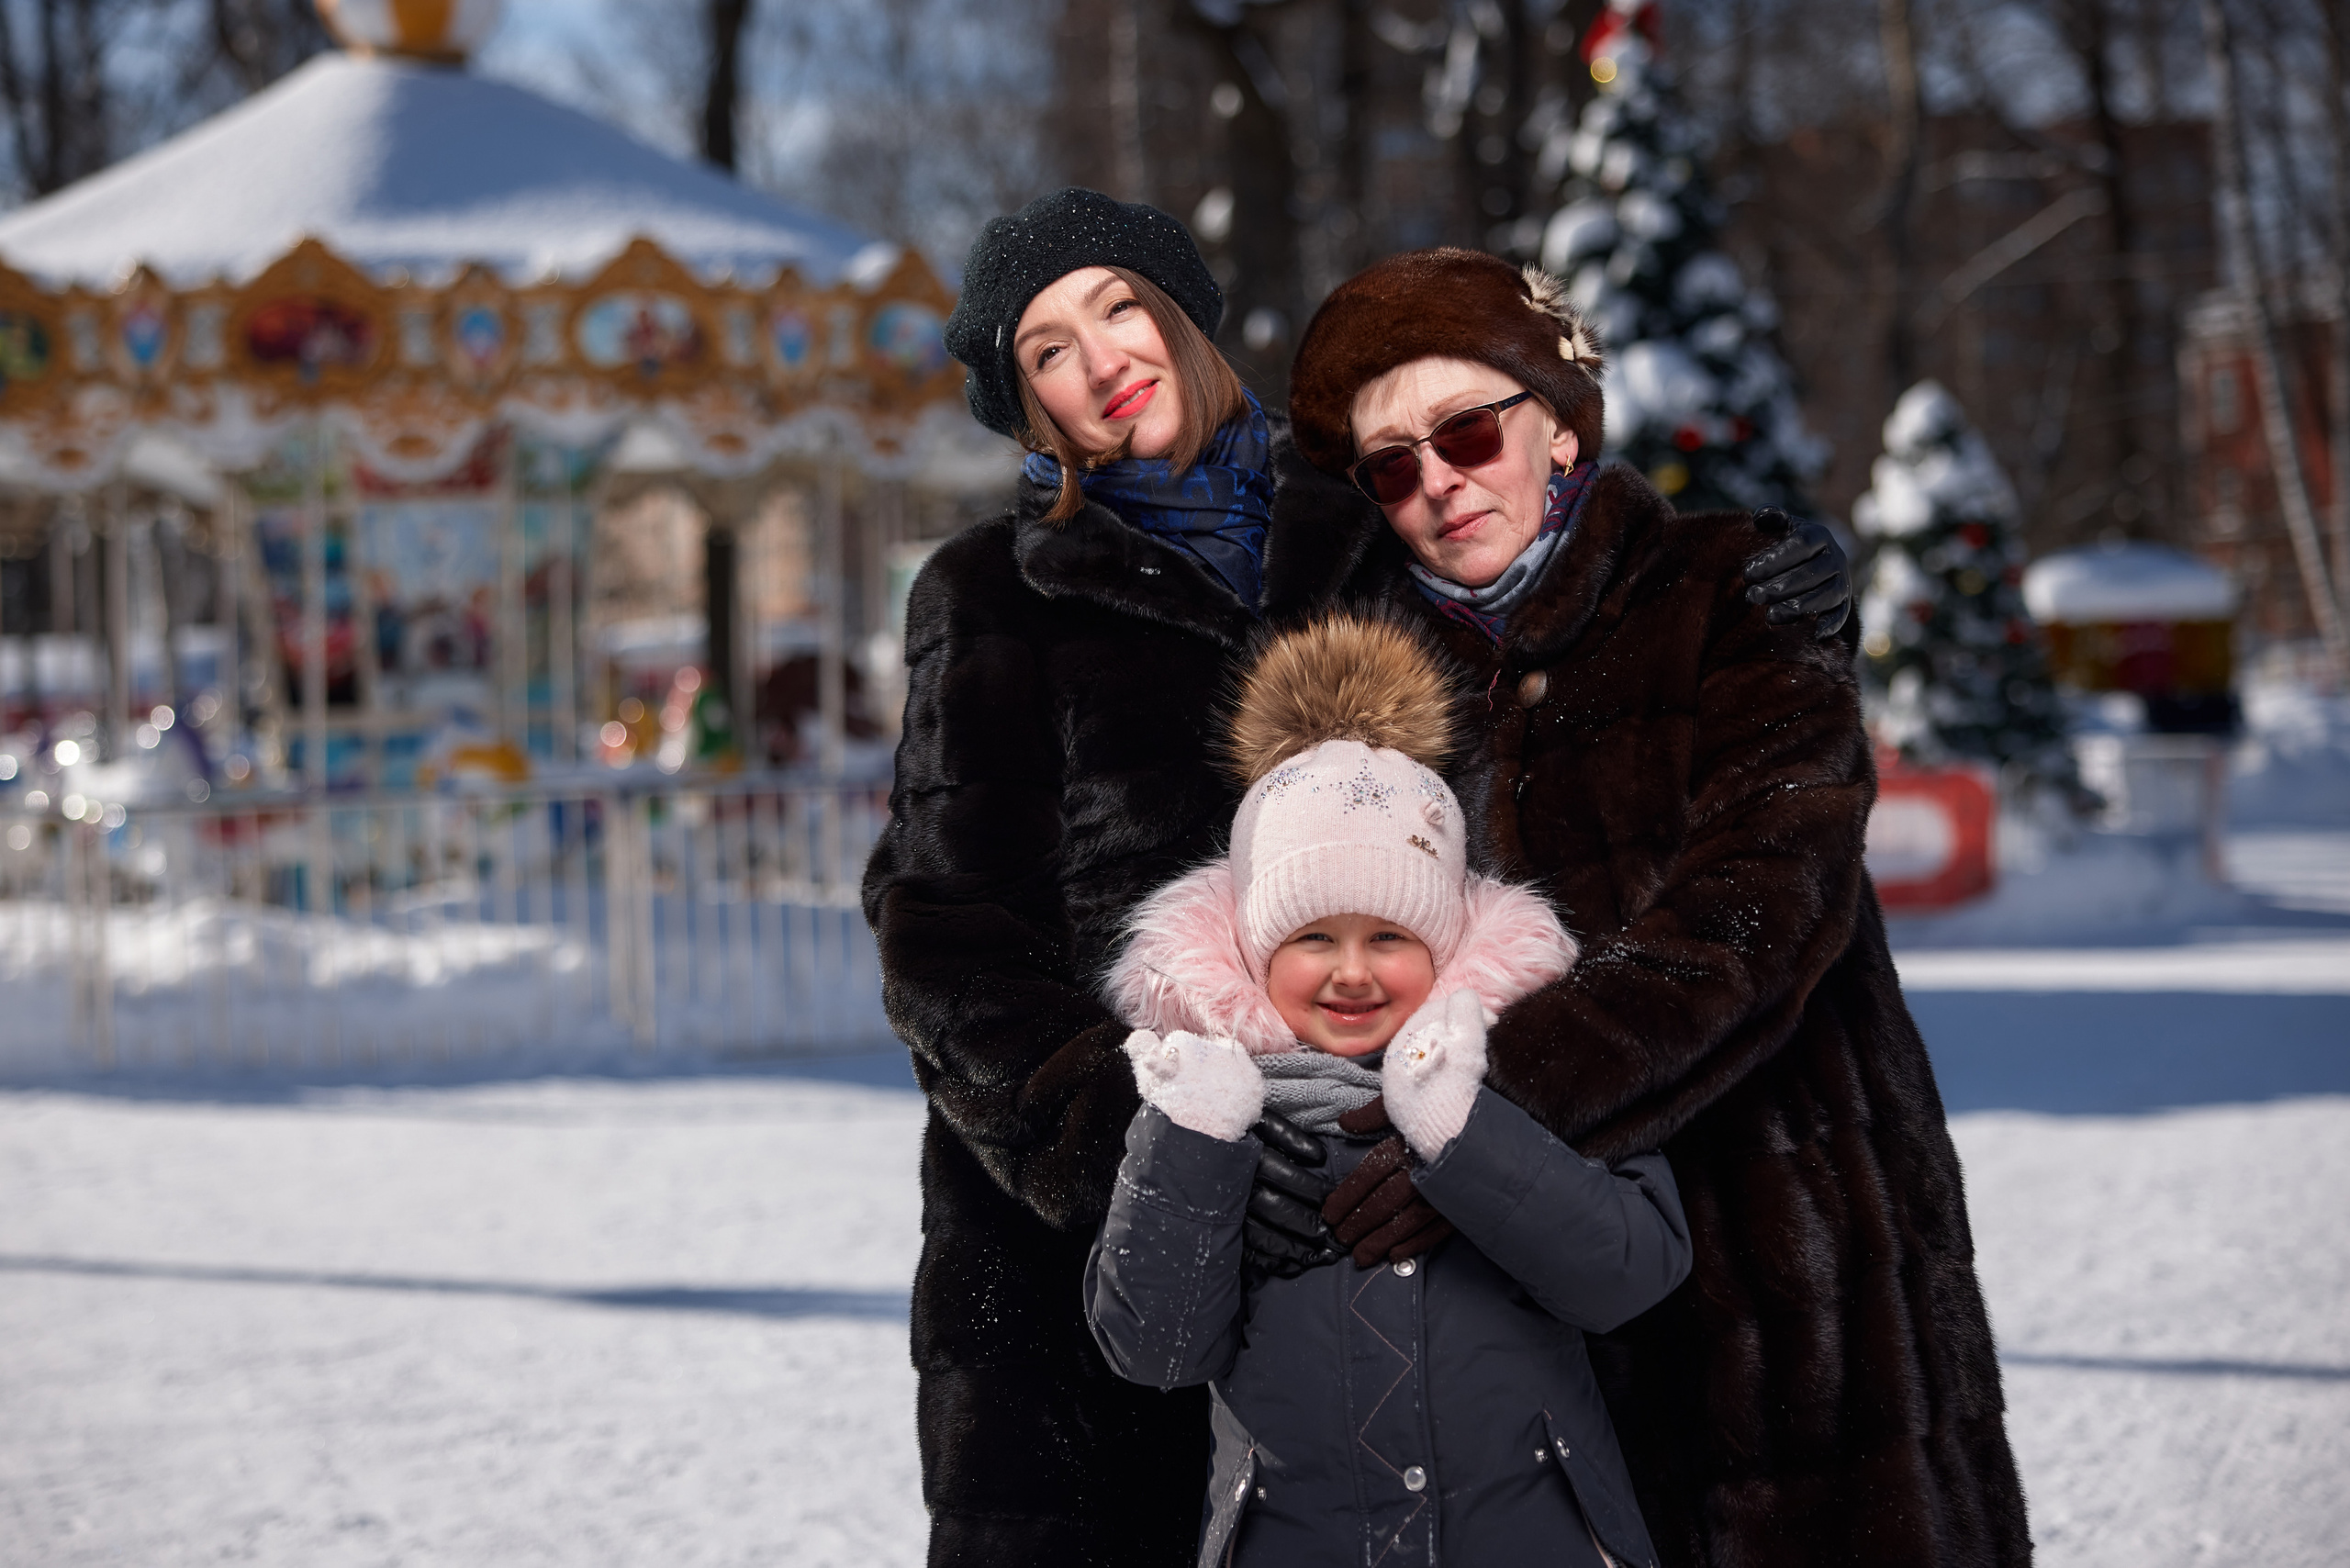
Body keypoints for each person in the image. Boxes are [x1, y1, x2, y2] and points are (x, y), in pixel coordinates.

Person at [864, 187, 1852, 1567]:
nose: (1100, 361)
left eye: (1118, 307)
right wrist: (1143, 1152)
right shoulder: (989, 596)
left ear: (1182, 313)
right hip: (1090, 1233)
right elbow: (944, 935)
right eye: (1045, 350)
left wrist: (1734, 583)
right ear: (1027, 402)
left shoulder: (1356, 532)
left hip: (1408, 1167)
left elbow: (1539, 616)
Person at [1268, 246, 2031, 1567]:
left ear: (1559, 429)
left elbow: (1758, 910)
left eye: (1464, 430)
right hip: (1532, 1316)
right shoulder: (1377, 696)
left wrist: (1476, 1124)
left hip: (1788, 1267)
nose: (1437, 480)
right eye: (1391, 464)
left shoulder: (1730, 599)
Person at [1086, 614, 1691, 1568]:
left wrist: (1462, 1130)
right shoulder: (1208, 1094)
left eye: (1390, 936)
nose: (1352, 973)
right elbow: (1154, 1348)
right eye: (1312, 937)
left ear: (1445, 938)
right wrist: (1194, 1140)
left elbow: (1627, 1274)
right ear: (1253, 946)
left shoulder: (1535, 1063)